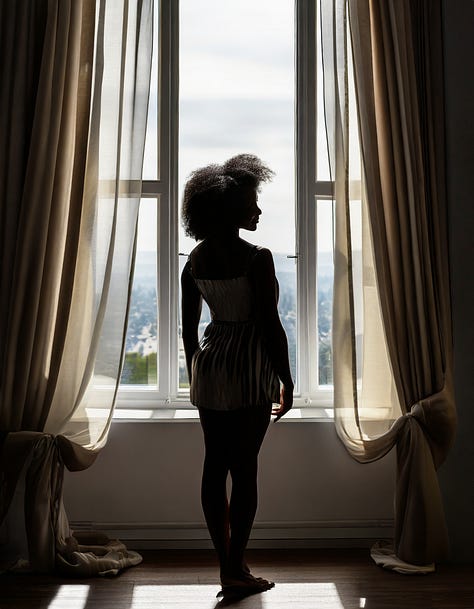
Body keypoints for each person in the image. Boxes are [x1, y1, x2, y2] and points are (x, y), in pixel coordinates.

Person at [180, 153, 293, 598]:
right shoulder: (257, 258)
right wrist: (286, 377)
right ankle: (236, 568)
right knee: (245, 471)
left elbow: (189, 332)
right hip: (249, 368)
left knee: (214, 467)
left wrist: (198, 372)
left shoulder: (196, 261)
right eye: (252, 204)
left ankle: (227, 565)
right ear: (232, 211)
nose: (258, 211)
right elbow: (269, 325)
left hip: (212, 367)